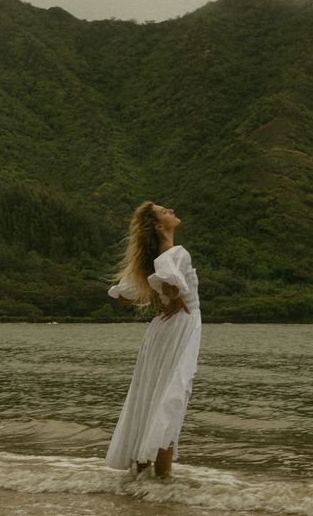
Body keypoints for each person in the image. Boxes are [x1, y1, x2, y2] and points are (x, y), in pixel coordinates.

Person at [105, 201, 201, 478]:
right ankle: (161, 487)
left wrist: (167, 293)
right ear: (160, 226)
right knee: (169, 401)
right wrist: (173, 294)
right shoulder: (176, 254)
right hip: (180, 327)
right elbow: (170, 283)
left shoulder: (151, 261)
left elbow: (124, 297)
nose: (170, 210)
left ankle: (142, 480)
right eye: (164, 212)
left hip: (161, 330)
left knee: (150, 399)